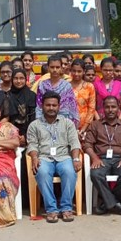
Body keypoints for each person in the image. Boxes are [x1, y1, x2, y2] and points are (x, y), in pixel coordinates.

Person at [27, 91, 82, 223]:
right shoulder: (34, 125)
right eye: (48, 105)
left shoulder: (68, 123)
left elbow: (74, 143)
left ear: (59, 106)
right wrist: (34, 158)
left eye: (54, 105)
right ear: (42, 106)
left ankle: (66, 208)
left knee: (69, 171)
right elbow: (32, 145)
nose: (51, 108)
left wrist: (75, 159)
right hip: (44, 157)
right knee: (42, 172)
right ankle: (51, 209)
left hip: (64, 157)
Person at [84, 96, 121, 216]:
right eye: (107, 107)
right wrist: (94, 157)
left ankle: (107, 203)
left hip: (120, 159)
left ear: (119, 108)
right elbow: (87, 143)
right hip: (101, 159)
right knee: (95, 174)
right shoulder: (95, 125)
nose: (110, 110)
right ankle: (116, 204)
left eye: (113, 107)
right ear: (103, 109)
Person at [35, 55, 79, 127]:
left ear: (61, 68)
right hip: (45, 122)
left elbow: (72, 107)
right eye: (52, 67)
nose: (55, 70)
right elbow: (39, 106)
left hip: (64, 123)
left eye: (57, 67)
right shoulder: (42, 85)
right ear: (48, 68)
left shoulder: (67, 86)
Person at [6, 68, 36, 145]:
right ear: (12, 80)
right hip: (10, 135)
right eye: (16, 78)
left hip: (29, 133)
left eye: (21, 78)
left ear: (26, 79)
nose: (19, 81)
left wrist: (26, 136)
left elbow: (33, 117)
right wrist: (15, 136)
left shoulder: (32, 95)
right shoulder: (6, 96)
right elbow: (6, 118)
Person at [70, 59, 96, 138]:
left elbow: (91, 109)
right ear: (71, 71)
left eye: (79, 71)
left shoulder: (89, 86)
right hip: (69, 127)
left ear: (84, 71)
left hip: (86, 127)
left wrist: (84, 128)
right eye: (74, 71)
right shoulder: (66, 86)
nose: (76, 74)